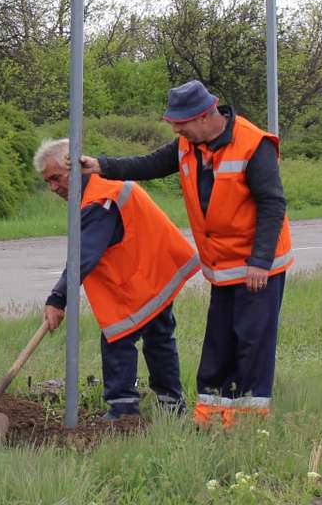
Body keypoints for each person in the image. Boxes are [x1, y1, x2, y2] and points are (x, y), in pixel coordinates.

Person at [81, 80, 292, 428]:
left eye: (181, 123)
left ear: (207, 115)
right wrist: (101, 165)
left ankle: (247, 424)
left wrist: (260, 261)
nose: (177, 129)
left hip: (258, 266)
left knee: (252, 345)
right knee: (219, 344)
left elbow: (273, 203)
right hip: (222, 266)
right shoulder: (187, 144)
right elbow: (150, 164)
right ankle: (210, 418)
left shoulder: (254, 145)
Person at [36, 138, 199, 420]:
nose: (53, 187)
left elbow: (82, 255)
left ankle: (124, 410)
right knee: (158, 335)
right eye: (48, 182)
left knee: (119, 337)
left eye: (56, 178)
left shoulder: (101, 197)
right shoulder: (101, 188)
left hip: (146, 275)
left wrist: (57, 298)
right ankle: (170, 403)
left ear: (75, 168)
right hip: (151, 273)